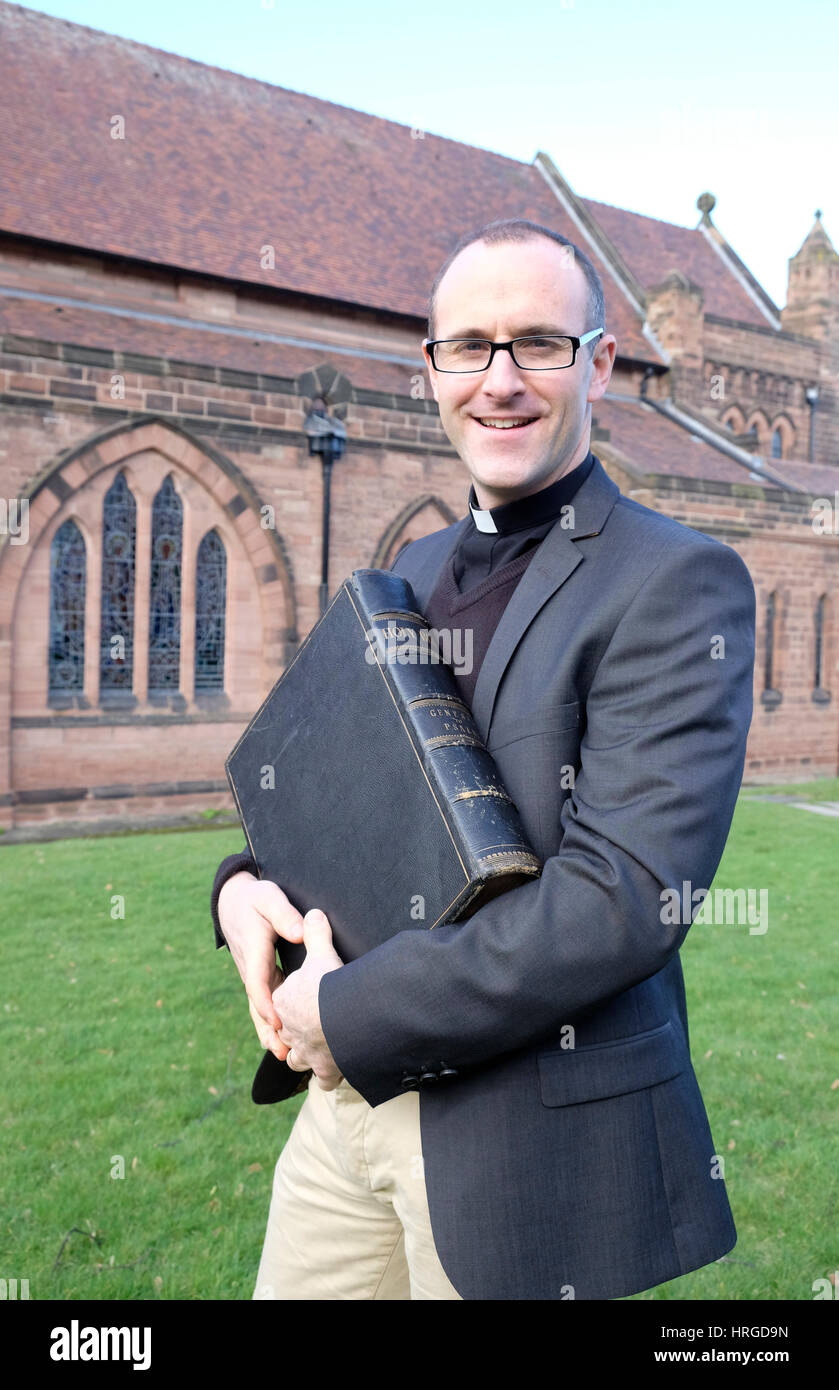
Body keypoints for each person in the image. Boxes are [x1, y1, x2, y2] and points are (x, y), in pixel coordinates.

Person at [210, 218, 756, 1300]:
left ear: (598, 363)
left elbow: (622, 900)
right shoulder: (407, 568)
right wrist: (237, 892)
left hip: (523, 1142)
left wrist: (346, 1014)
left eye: (536, 344)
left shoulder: (675, 582)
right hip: (345, 1113)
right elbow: (340, 798)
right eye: (468, 346)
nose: (497, 380)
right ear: (430, 370)